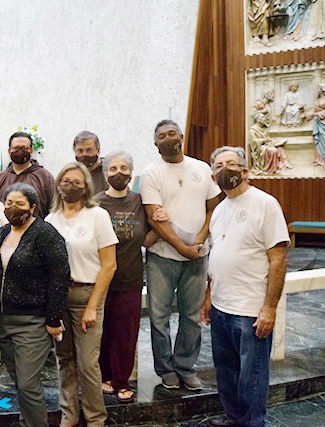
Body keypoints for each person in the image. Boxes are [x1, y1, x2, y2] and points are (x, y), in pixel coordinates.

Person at [201, 146, 289, 427]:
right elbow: (217, 256)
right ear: (213, 176)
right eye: (218, 166)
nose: (224, 169)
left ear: (245, 171)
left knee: (252, 376)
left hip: (250, 309)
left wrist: (270, 308)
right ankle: (235, 418)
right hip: (220, 307)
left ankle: (252, 423)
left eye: (230, 163)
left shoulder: (265, 204)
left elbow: (278, 260)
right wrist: (208, 298)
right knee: (227, 372)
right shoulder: (218, 210)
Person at [139, 119, 221, 391]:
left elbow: (213, 208)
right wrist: (182, 247)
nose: (167, 138)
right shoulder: (151, 172)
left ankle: (185, 366)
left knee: (192, 316)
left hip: (198, 254)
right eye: (161, 135)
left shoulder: (201, 168)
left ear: (182, 136)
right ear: (155, 143)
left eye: (171, 133)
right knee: (159, 317)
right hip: (162, 256)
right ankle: (165, 369)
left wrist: (198, 240)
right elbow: (154, 217)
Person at [46, 162, 117, 427]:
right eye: (65, 181)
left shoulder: (97, 215)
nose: (71, 186)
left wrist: (92, 306)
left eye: (77, 182)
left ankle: (96, 418)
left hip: (88, 295)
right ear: (58, 185)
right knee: (64, 360)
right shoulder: (51, 219)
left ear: (86, 186)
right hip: (58, 297)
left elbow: (109, 265)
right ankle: (69, 416)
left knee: (87, 363)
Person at [0, 182, 69, 427]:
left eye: (20, 204)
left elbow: (60, 276)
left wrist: (53, 318)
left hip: (32, 322)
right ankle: (27, 421)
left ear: (33, 207)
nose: (12, 208)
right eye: (9, 203)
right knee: (19, 381)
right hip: (3, 319)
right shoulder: (2, 232)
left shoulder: (45, 233)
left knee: (27, 383)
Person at [93, 151, 164, 404]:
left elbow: (146, 238)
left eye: (123, 168)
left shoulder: (139, 202)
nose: (118, 173)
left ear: (131, 173)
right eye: (113, 169)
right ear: (105, 175)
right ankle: (105, 377)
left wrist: (160, 226)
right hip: (101, 280)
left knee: (125, 334)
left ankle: (122, 381)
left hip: (131, 279)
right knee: (102, 332)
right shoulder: (96, 203)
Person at [0, 131, 55, 219]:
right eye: (16, 148)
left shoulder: (45, 177)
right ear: (9, 151)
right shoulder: (0, 178)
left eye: (24, 148)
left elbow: (54, 208)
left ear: (31, 151)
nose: (20, 151)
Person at [306, 83, 325, 169]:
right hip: (317, 123)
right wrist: (308, 114)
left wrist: (317, 114)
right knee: (317, 141)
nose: (317, 90)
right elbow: (313, 110)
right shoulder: (316, 100)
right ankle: (319, 160)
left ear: (322, 89)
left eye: (318, 89)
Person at [73, 130, 107, 196]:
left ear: (98, 150)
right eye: (80, 151)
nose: (84, 154)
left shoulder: (109, 173)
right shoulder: (72, 174)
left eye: (89, 150)